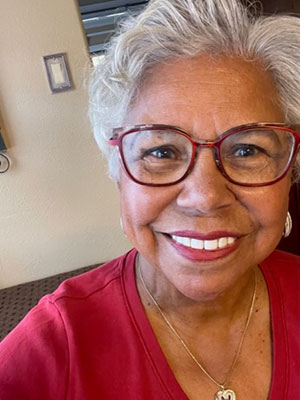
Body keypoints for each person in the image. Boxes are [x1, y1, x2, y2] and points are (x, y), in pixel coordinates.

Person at [0, 0, 299, 399]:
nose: (206, 198)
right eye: (161, 152)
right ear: (119, 172)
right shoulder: (49, 353)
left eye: (246, 150)